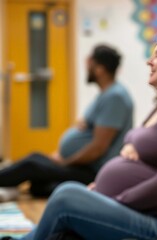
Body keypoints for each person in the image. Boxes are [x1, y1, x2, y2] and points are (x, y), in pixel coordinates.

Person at [16, 31, 157, 240]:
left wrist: (112, 199)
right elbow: (152, 155)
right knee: (64, 233)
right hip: (143, 213)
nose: (149, 61)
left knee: (65, 196)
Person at [0, 45, 134, 201]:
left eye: (89, 64)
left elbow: (98, 148)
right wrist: (60, 155)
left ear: (100, 69)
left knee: (32, 165)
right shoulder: (106, 95)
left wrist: (65, 162)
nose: (87, 68)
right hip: (82, 165)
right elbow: (87, 130)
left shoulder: (114, 97)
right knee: (38, 174)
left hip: (94, 171)